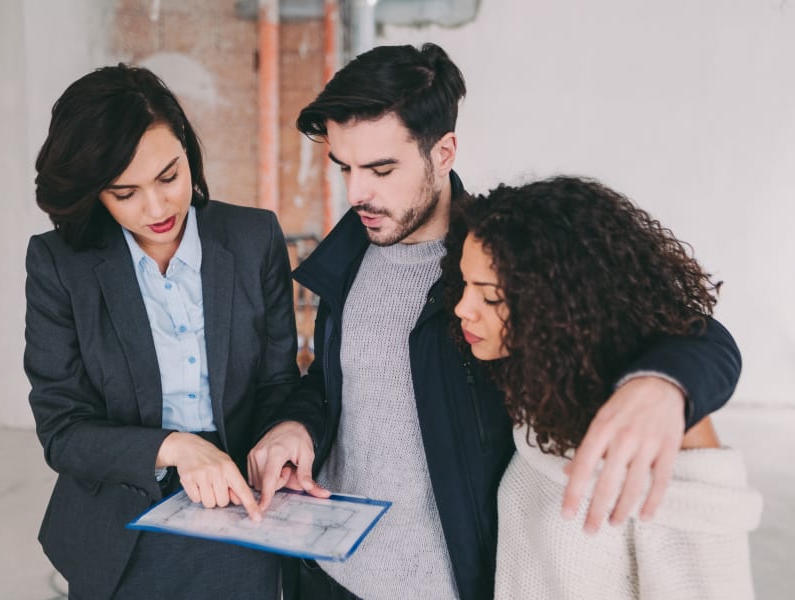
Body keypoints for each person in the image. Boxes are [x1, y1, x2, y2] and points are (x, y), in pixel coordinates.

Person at [247, 43, 742, 600]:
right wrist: (297, 425)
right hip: (330, 573)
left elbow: (694, 334)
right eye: (345, 168)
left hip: (449, 583)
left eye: (381, 169)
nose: (356, 192)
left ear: (444, 151)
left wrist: (662, 385)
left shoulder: (499, 258)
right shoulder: (347, 257)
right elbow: (338, 381)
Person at [24, 64, 298, 599]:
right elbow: (63, 431)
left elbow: (278, 384)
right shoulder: (61, 264)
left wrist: (284, 433)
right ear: (95, 194)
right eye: (124, 193)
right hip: (123, 508)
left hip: (243, 497)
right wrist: (177, 448)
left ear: (188, 155)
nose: (156, 209)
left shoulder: (253, 237)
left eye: (169, 177)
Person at [447, 176, 762, 599]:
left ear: (556, 302)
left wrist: (667, 385)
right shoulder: (541, 392)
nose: (462, 309)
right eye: (466, 285)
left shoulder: (657, 430)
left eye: (490, 297)